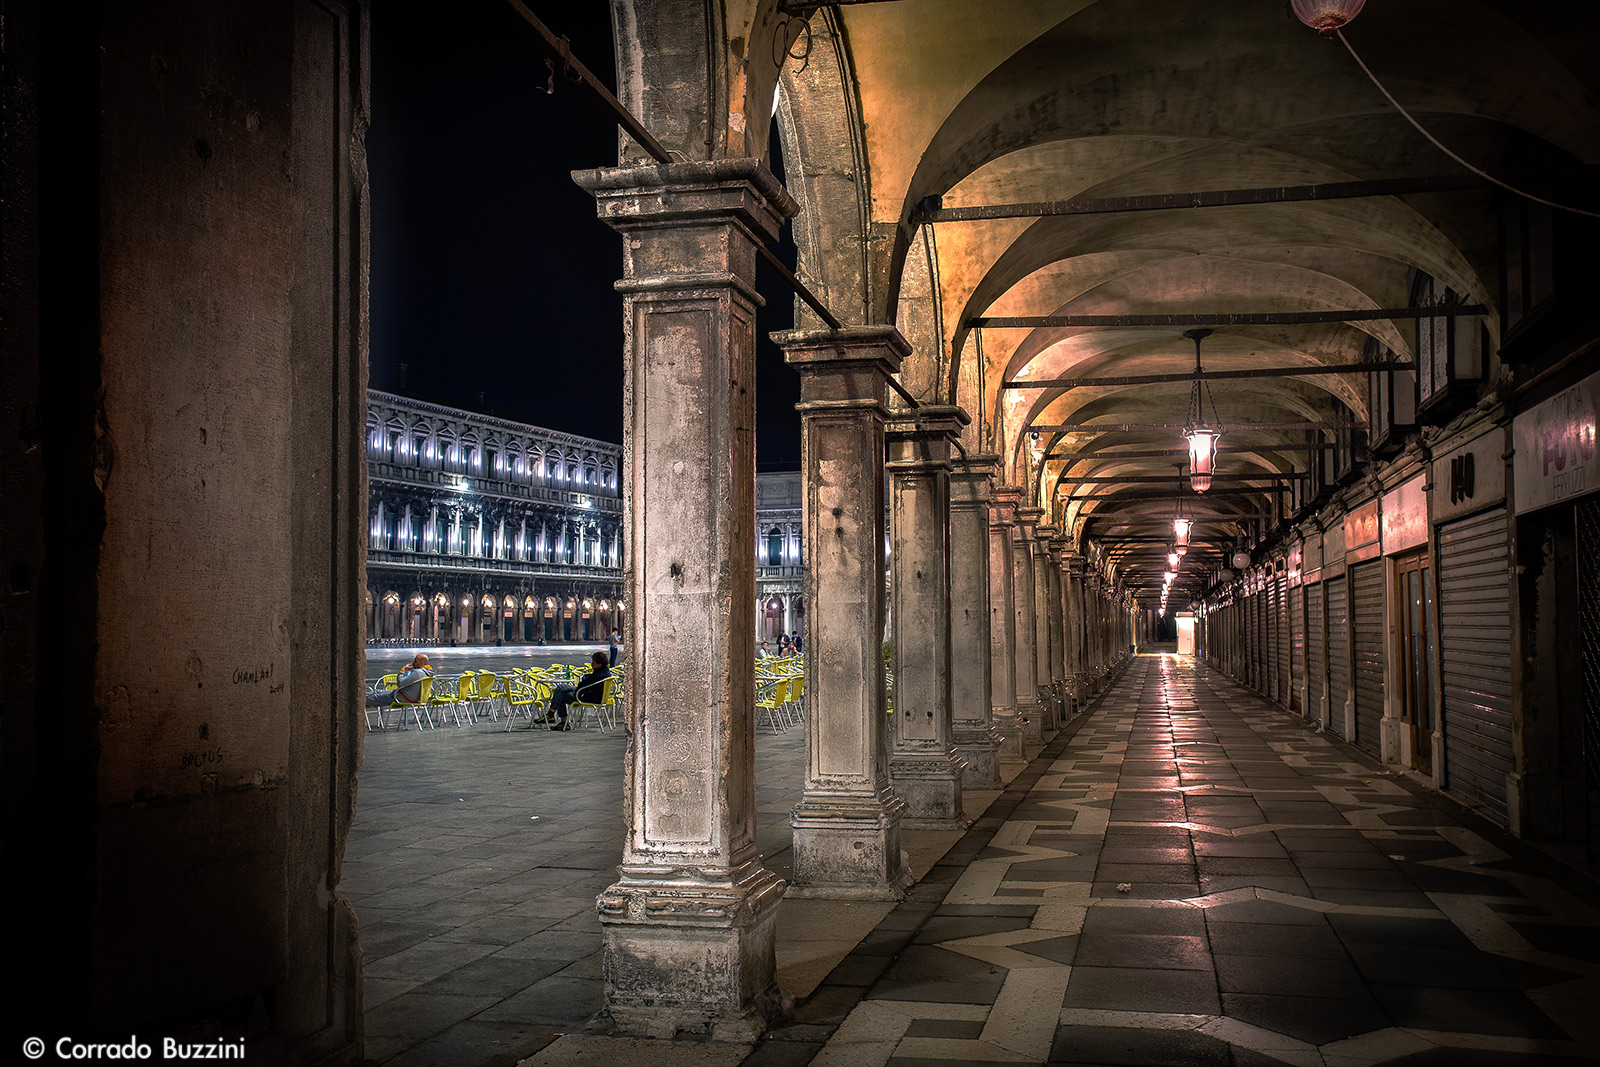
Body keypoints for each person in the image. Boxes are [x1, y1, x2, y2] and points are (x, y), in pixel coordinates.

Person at [546, 651, 611, 730]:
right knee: (561, 688)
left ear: (599, 664)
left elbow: (583, 685)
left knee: (561, 696)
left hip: (587, 696)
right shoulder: (604, 673)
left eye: (593, 662)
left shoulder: (598, 675)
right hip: (585, 692)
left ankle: (561, 720)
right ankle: (552, 713)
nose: (592, 664)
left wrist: (584, 680)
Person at [366, 653, 434, 724]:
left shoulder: (417, 673)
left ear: (421, 662)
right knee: (378, 691)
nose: (413, 662)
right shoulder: (427, 672)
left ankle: (359, 699)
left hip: (402, 697)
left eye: (415, 661)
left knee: (373, 696)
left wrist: (402, 671)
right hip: (412, 696)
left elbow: (401, 683)